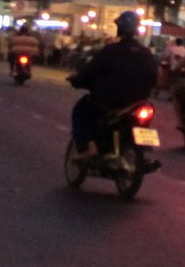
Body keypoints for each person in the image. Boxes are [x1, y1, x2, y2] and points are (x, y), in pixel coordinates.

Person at [67, 11, 158, 160]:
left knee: (81, 111)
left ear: (119, 29)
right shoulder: (146, 53)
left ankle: (88, 147)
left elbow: (90, 71)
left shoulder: (110, 51)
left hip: (109, 102)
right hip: (137, 103)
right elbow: (155, 77)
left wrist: (77, 80)